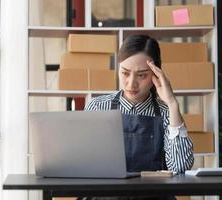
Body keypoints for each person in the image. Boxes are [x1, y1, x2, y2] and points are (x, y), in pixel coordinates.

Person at [83, 35, 194, 200]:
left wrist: (172, 103)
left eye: (142, 75)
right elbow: (84, 164)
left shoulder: (167, 112)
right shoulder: (97, 107)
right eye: (125, 73)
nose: (131, 83)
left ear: (156, 75)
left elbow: (180, 168)